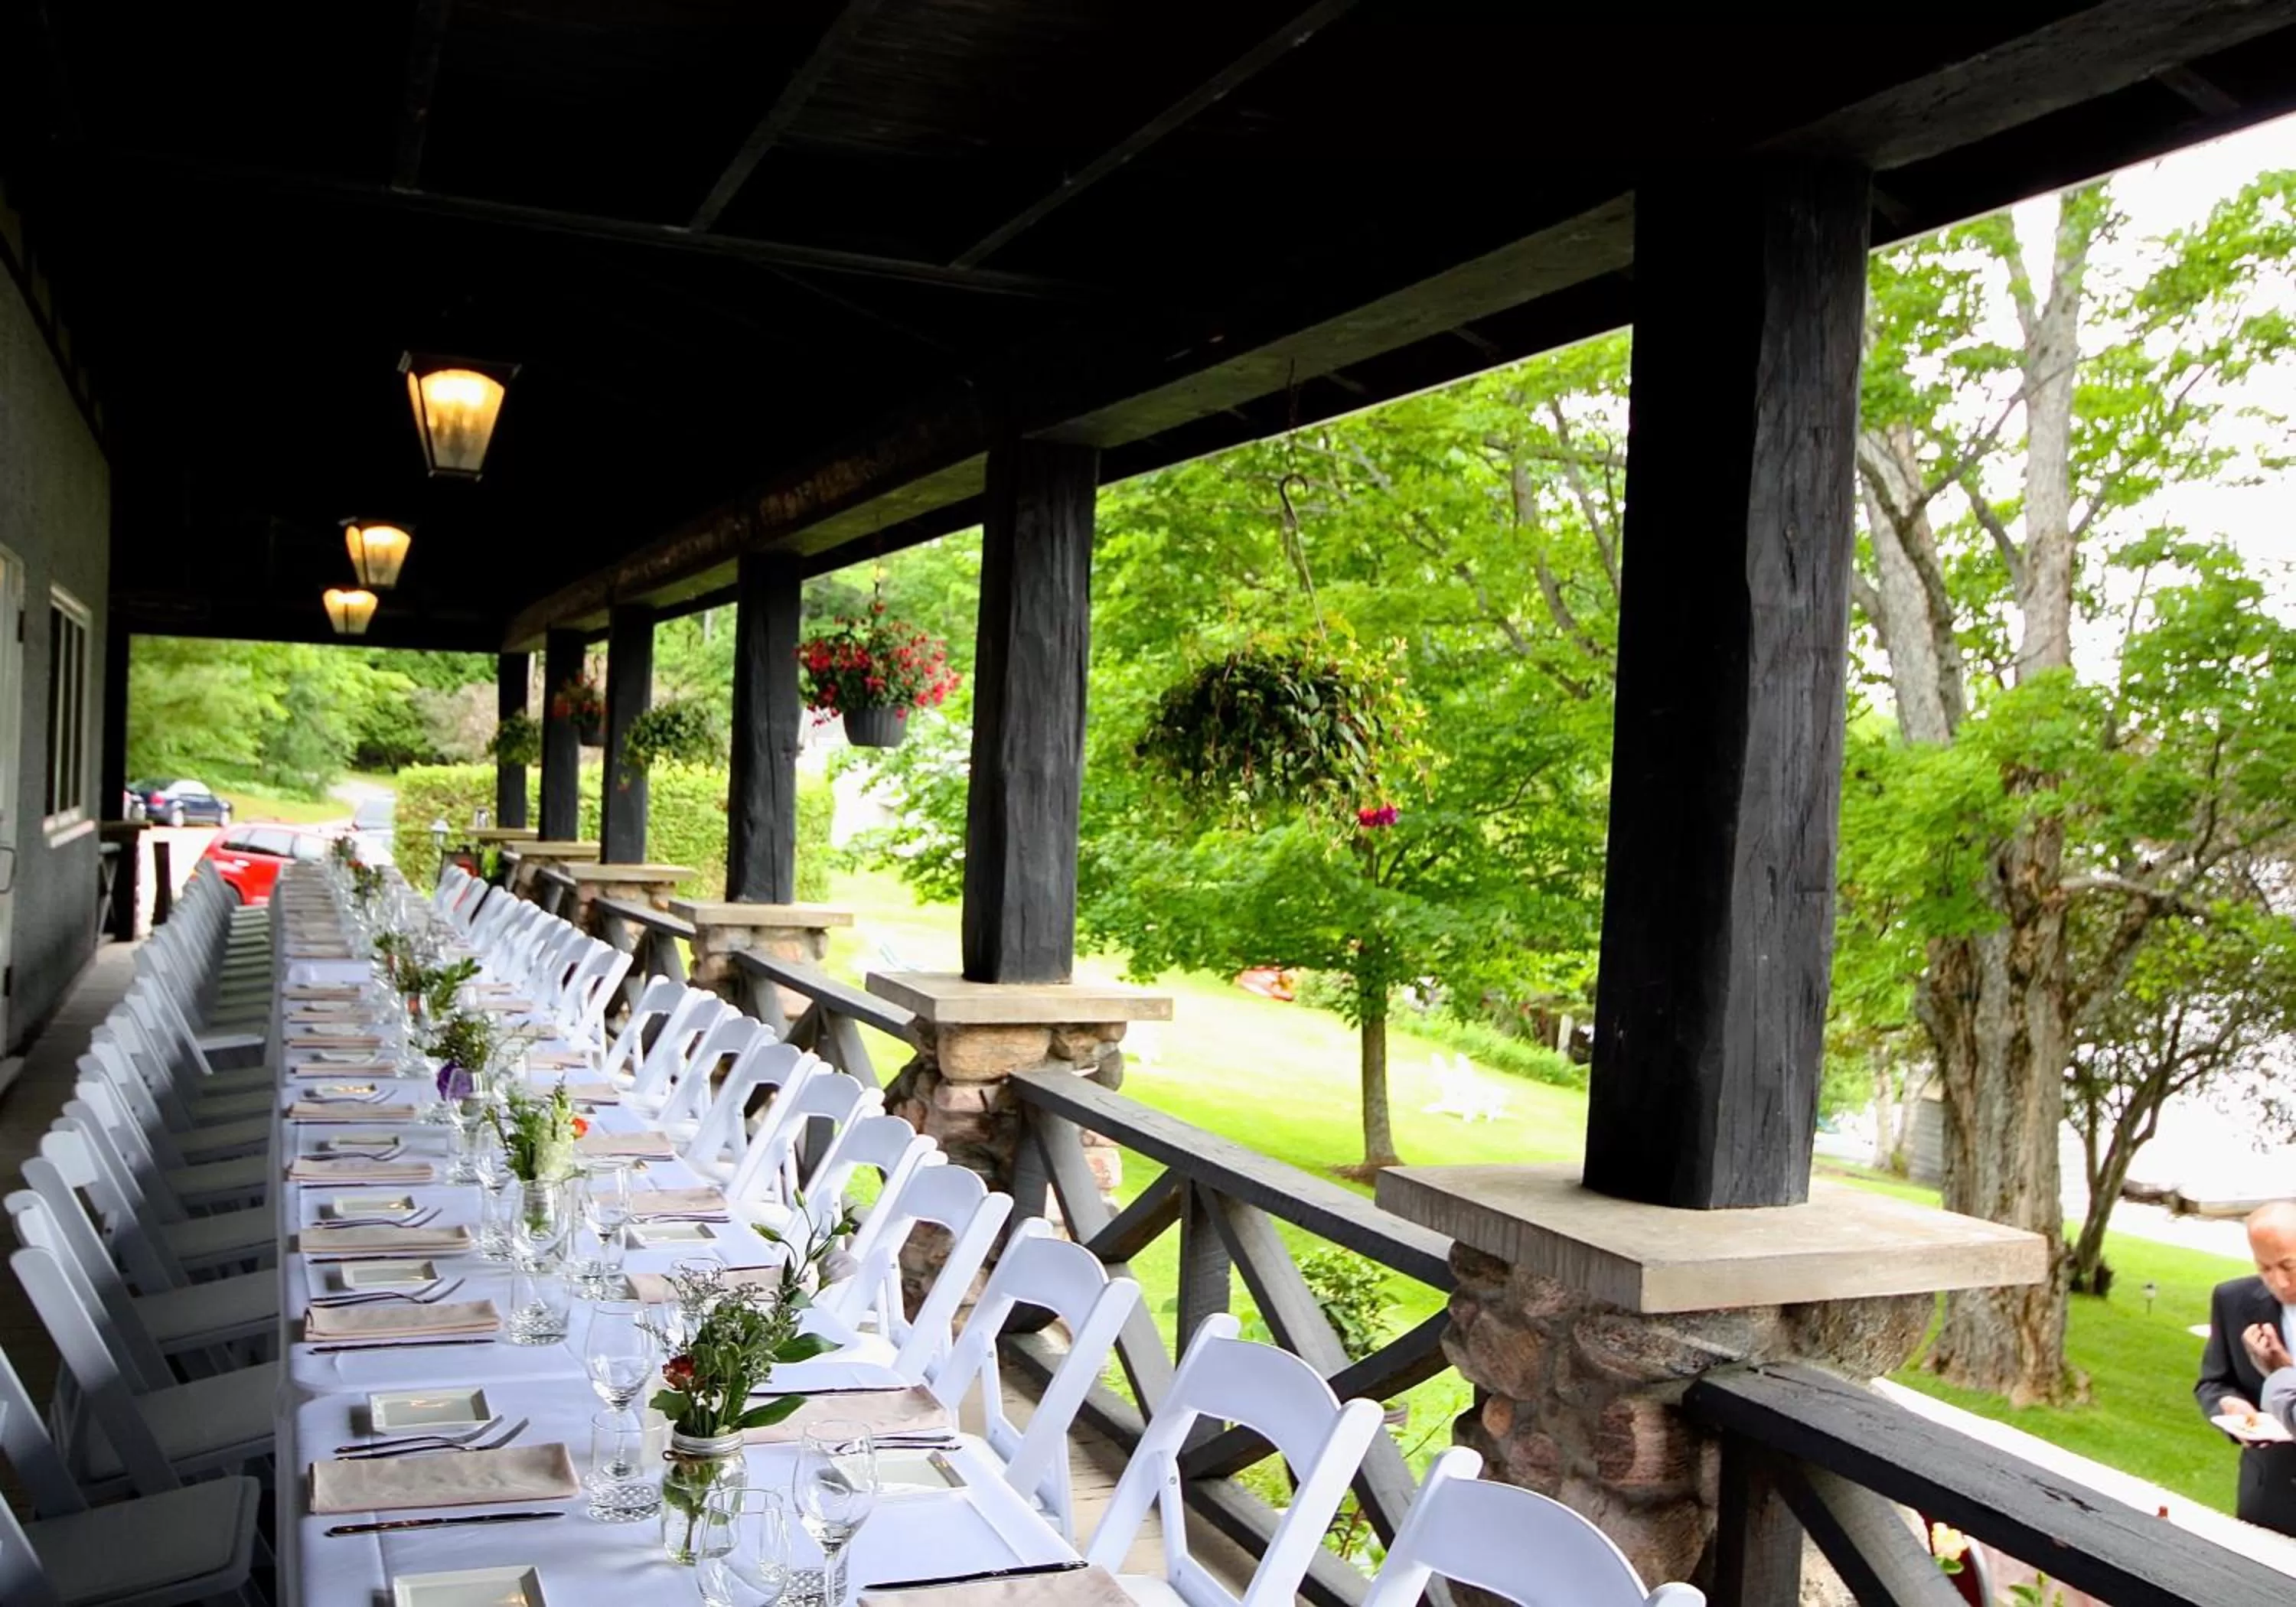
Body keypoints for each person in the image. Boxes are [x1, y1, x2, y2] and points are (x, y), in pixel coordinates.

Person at [2196, 1200, 2296, 1533]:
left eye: (2289, 1266)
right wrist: (2228, 1405)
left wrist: (2281, 1374)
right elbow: (2212, 1382)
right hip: (2268, 1497)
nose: (2279, 1283)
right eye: (2265, 1269)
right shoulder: (2233, 1300)